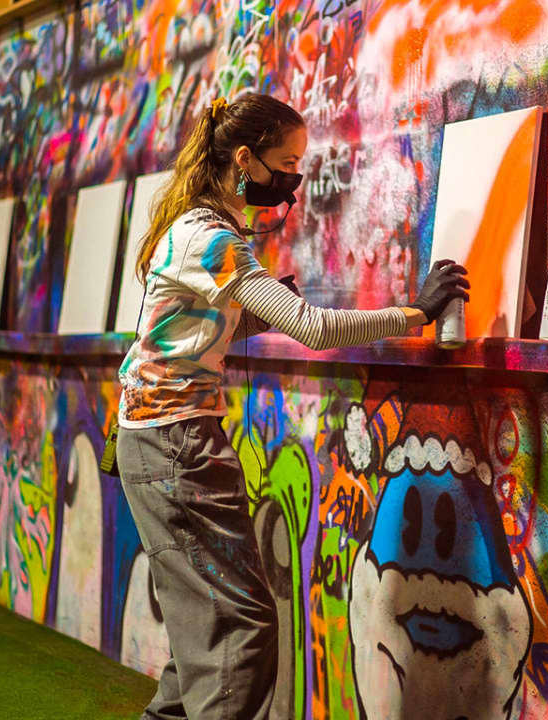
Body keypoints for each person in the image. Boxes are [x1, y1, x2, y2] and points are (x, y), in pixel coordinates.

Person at [115, 92, 469, 720]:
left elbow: (179, 334)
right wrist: (416, 312)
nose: (294, 180)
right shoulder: (211, 238)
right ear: (244, 160)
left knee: (206, 633)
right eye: (286, 164)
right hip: (176, 445)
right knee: (239, 633)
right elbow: (311, 327)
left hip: (157, 441)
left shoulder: (196, 226)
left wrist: (244, 315)